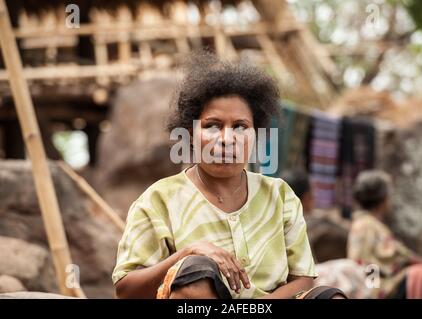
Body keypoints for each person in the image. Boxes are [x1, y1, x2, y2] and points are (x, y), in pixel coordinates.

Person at [111, 52, 345, 299]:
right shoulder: (159, 200)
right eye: (212, 125)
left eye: (240, 126)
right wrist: (187, 253)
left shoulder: (280, 196)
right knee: (195, 273)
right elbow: (125, 289)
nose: (226, 139)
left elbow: (303, 279)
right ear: (190, 134)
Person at [347, 170, 422, 299]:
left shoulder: (364, 223)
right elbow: (394, 255)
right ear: (383, 198)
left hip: (372, 282)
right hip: (373, 287)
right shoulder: (368, 225)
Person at [281, 168, 372, 299]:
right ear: (306, 197)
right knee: (350, 270)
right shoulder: (298, 222)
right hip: (298, 285)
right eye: (312, 194)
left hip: (299, 282)